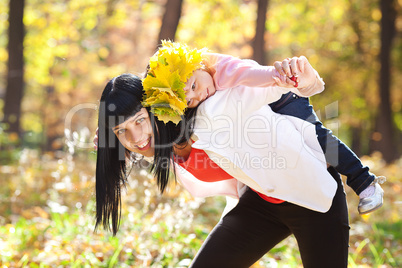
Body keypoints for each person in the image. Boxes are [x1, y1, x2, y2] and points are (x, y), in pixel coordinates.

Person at [95, 68, 350, 267]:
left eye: (140, 120)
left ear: (157, 108)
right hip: (261, 205)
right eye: (122, 130)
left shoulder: (212, 110)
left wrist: (302, 77)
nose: (136, 137)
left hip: (312, 197)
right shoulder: (156, 140)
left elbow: (271, 87)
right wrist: (112, 140)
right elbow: (135, 142)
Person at [142, 40, 385, 215]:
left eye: (194, 85)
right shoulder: (199, 99)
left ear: (197, 66)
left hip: (283, 98)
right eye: (191, 101)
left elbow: (252, 75)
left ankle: (364, 182)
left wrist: (279, 77)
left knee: (318, 136)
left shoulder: (222, 68)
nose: (199, 95)